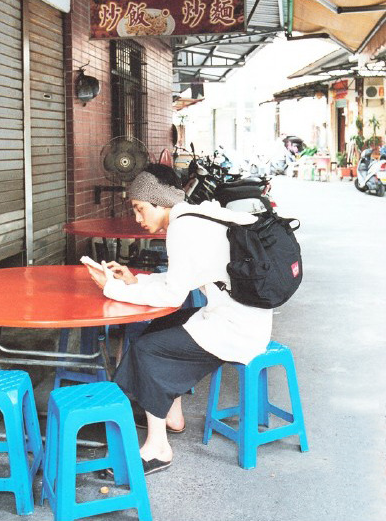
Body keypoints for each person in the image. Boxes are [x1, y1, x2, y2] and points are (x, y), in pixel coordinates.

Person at [84, 163, 273, 475]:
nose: (137, 218)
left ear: (159, 202)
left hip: (235, 328)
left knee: (149, 349)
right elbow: (178, 283)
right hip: (239, 316)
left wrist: (112, 288)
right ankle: (171, 415)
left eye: (140, 209)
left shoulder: (182, 229)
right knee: (160, 327)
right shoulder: (194, 217)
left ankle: (157, 448)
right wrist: (132, 281)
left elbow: (173, 296)